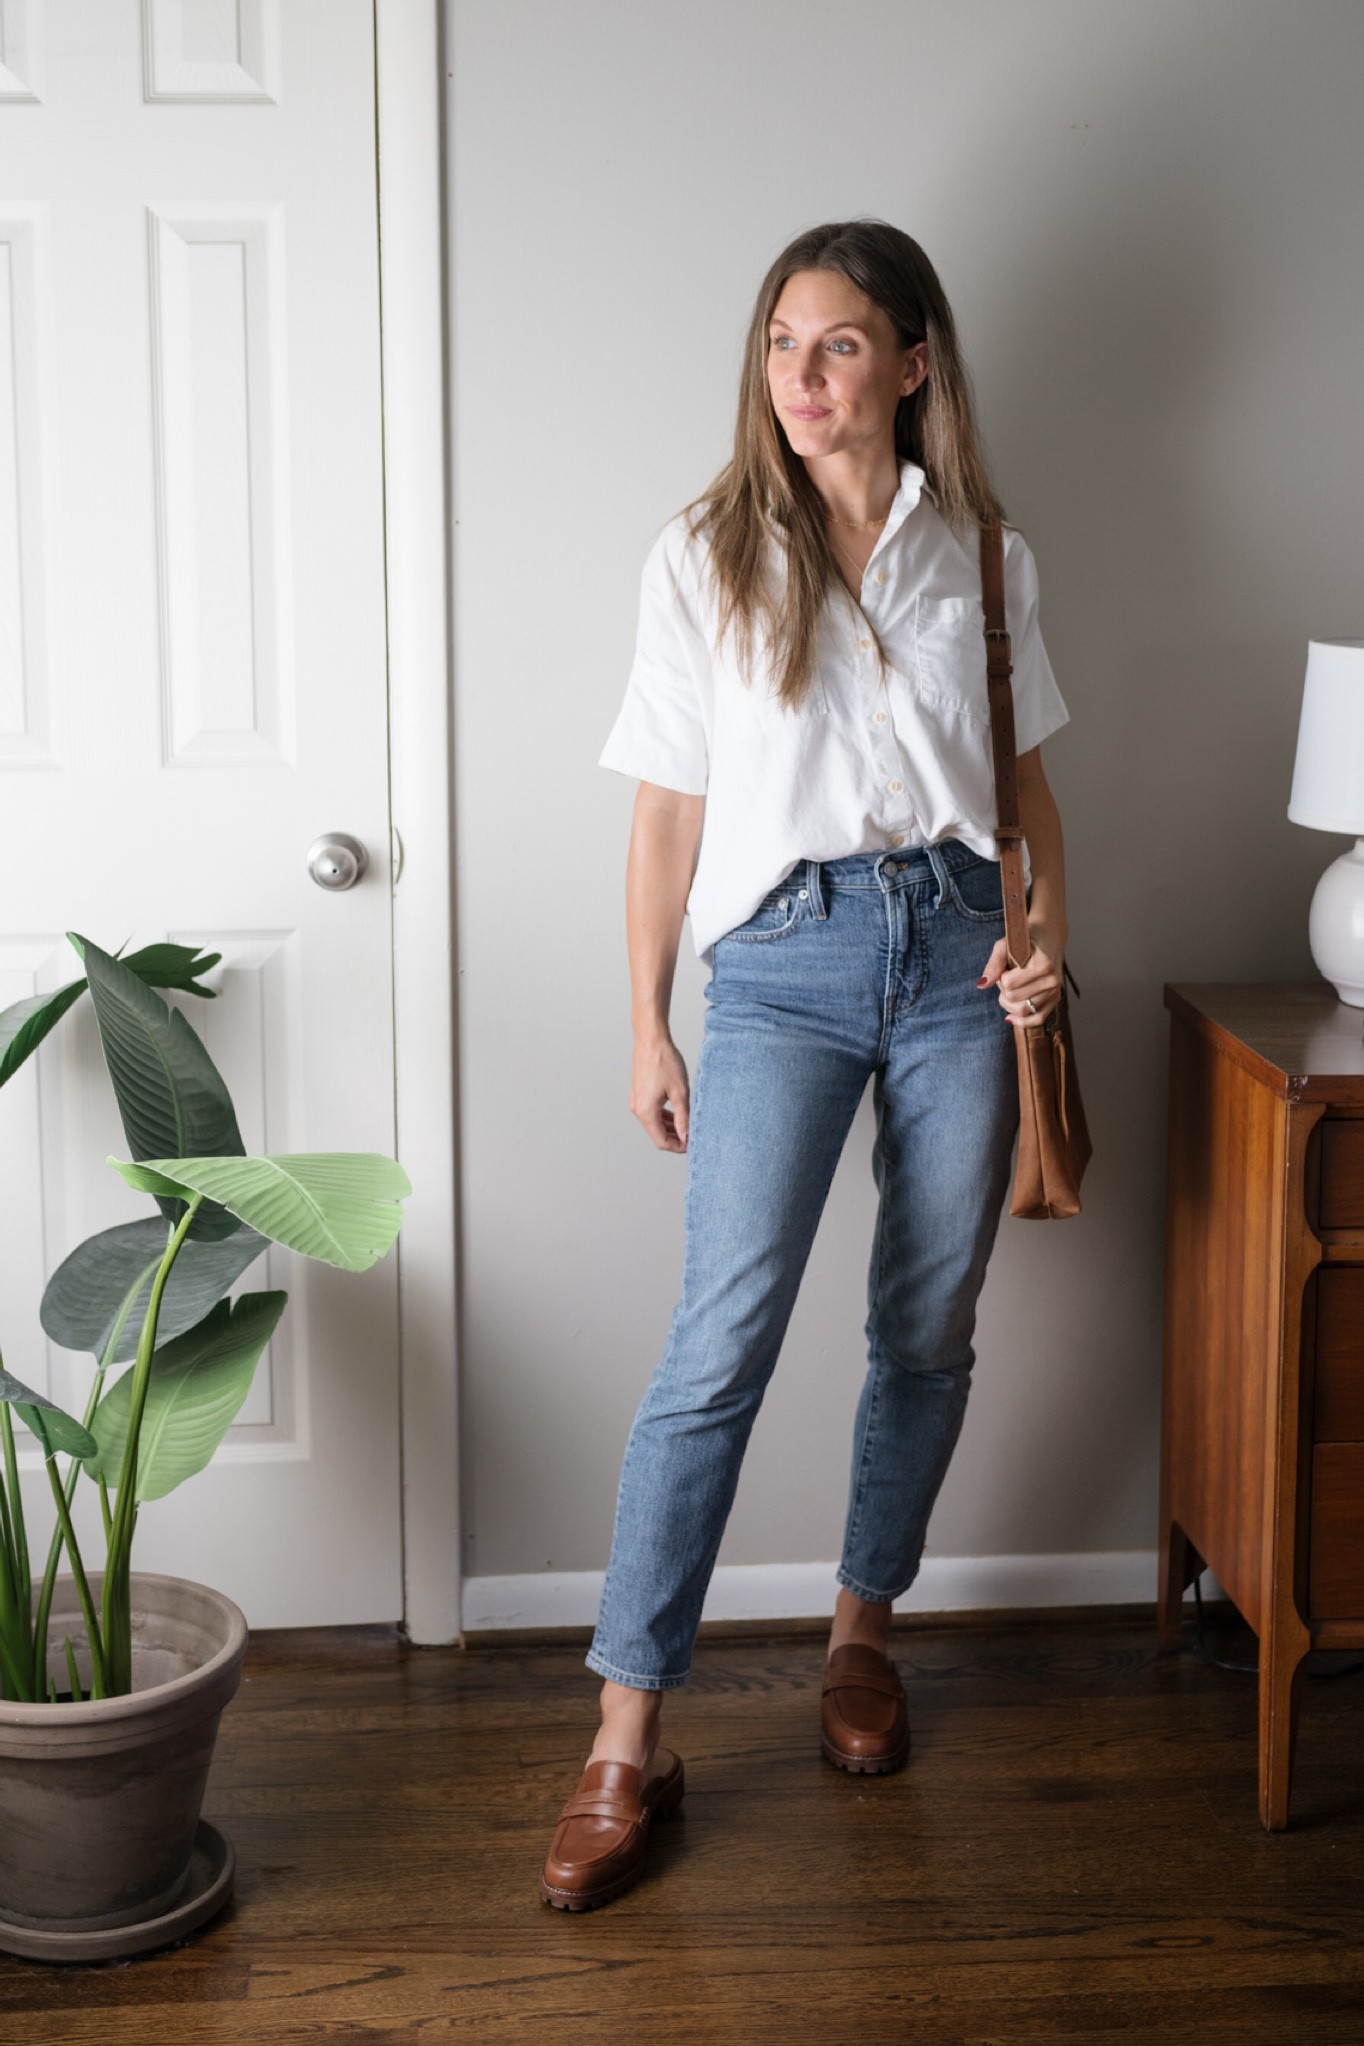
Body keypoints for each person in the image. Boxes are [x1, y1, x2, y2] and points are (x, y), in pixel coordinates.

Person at [540, 220, 1070, 1912]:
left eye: (837, 346)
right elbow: (667, 814)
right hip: (778, 962)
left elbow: (1030, 785)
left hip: (960, 952)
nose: (801, 378)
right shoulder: (702, 553)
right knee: (721, 1339)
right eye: (781, 345)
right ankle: (628, 1734)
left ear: (914, 363)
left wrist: (1048, 932)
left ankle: (863, 1631)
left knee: (927, 1317)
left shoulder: (985, 551)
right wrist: (646, 1017)